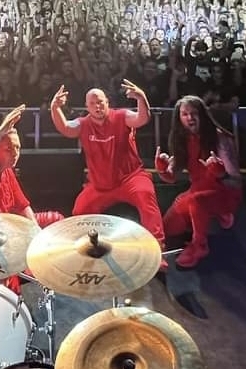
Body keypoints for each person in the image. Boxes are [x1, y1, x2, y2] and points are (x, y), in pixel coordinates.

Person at [50, 81, 166, 258]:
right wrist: (55, 108)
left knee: (146, 195)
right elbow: (65, 128)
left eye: (100, 102)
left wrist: (141, 98)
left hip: (130, 179)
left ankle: (158, 250)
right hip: (100, 186)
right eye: (92, 104)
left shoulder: (121, 116)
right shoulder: (83, 124)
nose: (97, 106)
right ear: (87, 107)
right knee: (79, 211)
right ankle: (81, 250)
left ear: (107, 102)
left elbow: (142, 119)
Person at [0, 104, 65, 292]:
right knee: (8, 284)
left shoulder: (7, 171)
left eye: (18, 148)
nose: (15, 154)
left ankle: (36, 268)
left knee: (57, 220)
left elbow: (22, 205)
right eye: (9, 148)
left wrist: (36, 233)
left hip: (8, 227)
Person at [154, 95, 242, 269]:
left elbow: (236, 182)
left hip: (224, 193)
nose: (190, 118)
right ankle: (205, 219)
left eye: (194, 113)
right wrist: (162, 170)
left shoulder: (220, 139)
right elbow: (172, 177)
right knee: (168, 228)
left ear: (202, 115)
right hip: (198, 190)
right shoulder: (182, 139)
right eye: (185, 114)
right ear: (179, 118)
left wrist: (220, 173)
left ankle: (200, 245)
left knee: (197, 201)